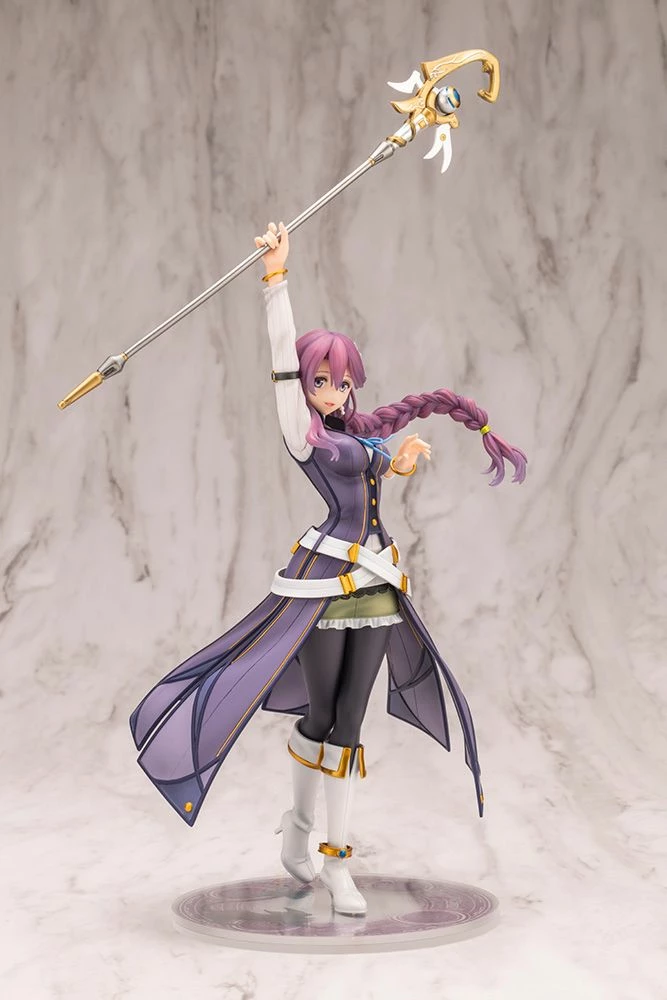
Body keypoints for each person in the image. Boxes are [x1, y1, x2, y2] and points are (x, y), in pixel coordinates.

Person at [129, 220, 527, 917]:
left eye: (341, 383)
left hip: (375, 586)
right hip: (322, 585)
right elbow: (283, 365)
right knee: (319, 715)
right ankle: (299, 826)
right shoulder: (303, 432)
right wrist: (275, 280)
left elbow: (384, 451)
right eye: (321, 381)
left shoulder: (352, 432)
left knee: (349, 722)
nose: (332, 392)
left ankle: (337, 860)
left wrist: (403, 460)